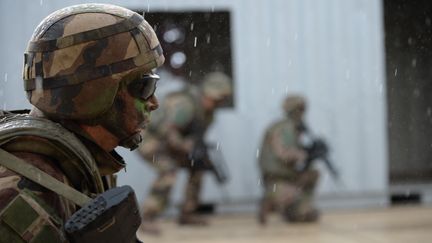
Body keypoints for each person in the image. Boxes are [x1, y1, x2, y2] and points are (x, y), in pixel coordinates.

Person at [0, 3, 164, 242]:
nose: (154, 102)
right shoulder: (18, 199)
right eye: (145, 86)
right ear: (94, 93)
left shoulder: (76, 166)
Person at [138, 72, 232, 234]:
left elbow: (194, 137)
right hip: (152, 140)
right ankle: (147, 217)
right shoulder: (187, 105)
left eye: (221, 100)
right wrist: (185, 146)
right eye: (216, 99)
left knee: (197, 167)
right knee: (168, 171)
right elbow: (169, 132)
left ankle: (187, 213)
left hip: (172, 143)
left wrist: (198, 152)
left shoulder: (207, 113)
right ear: (206, 93)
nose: (217, 103)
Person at [257, 94, 320, 225]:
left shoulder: (293, 127)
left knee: (312, 175)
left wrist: (309, 152)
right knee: (288, 194)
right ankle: (270, 199)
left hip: (289, 176)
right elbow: (285, 155)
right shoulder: (285, 127)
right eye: (300, 109)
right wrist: (305, 154)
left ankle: (300, 208)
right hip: (276, 178)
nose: (302, 113)